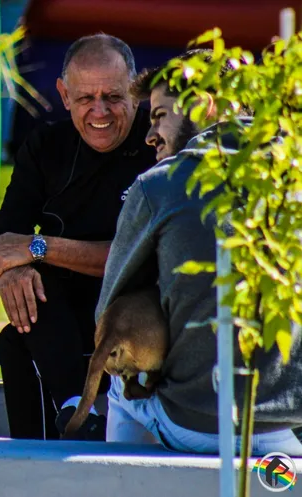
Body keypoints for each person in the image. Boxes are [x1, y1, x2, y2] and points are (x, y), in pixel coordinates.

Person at [92, 49, 302, 455]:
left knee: (118, 378)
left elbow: (107, 317)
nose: (150, 136)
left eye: (158, 117)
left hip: (197, 425)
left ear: (204, 106)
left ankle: (119, 479)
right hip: (293, 432)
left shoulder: (157, 185)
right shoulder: (293, 170)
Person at [0, 33, 156, 441]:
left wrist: (38, 248)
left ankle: (74, 416)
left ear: (135, 91)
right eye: (85, 98)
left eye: (113, 97)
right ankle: (68, 424)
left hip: (138, 309)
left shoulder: (158, 142)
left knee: (22, 329)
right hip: (63, 314)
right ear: (63, 95)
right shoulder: (47, 146)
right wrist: (12, 273)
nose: (100, 111)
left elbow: (139, 257)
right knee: (16, 335)